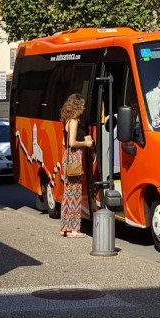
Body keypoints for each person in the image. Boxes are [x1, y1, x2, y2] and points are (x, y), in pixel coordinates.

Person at [59, 93, 93, 237]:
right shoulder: (74, 121)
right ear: (78, 106)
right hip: (74, 158)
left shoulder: (67, 121)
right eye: (82, 105)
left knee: (68, 194)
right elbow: (72, 142)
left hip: (68, 157)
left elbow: (64, 142)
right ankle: (73, 230)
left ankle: (64, 228)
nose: (84, 108)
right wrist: (86, 143)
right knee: (75, 194)